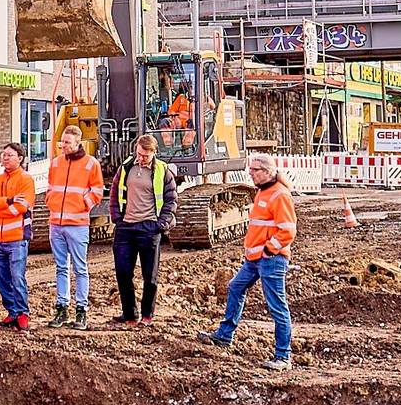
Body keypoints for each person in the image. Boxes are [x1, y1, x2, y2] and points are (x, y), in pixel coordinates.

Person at [203, 154, 297, 370]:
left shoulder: (279, 195)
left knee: (277, 306)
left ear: (267, 171)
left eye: (255, 170)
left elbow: (288, 231)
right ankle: (224, 336)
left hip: (270, 259)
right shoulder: (263, 192)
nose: (250, 173)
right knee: (235, 287)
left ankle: (283, 356)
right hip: (255, 259)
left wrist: (270, 249)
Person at [108, 132, 180, 326]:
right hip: (126, 227)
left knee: (150, 275)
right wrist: (117, 218)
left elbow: (171, 200)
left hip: (149, 228)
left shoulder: (162, 171)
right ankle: (129, 315)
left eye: (146, 156)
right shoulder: (126, 167)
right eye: (139, 154)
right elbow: (114, 192)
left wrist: (161, 224)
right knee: (123, 273)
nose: (141, 158)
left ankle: (147, 315)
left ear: (154, 153)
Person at [44, 126, 103, 329]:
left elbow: (97, 190)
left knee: (80, 268)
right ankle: (62, 308)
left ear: (78, 143)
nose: (63, 145)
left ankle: (81, 310)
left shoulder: (91, 164)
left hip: (77, 225)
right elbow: (51, 187)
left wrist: (83, 203)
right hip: (56, 224)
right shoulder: (56, 163)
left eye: (67, 142)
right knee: (61, 268)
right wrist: (51, 201)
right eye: (62, 141)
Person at [0, 143, 36, 330]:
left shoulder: (26, 180)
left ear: (20, 158)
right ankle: (12, 312)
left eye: (10, 155)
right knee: (1, 278)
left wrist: (0, 209)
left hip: (17, 238)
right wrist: (8, 201)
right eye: (4, 154)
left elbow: (21, 207)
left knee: (17, 277)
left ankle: (22, 313)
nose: (5, 158)